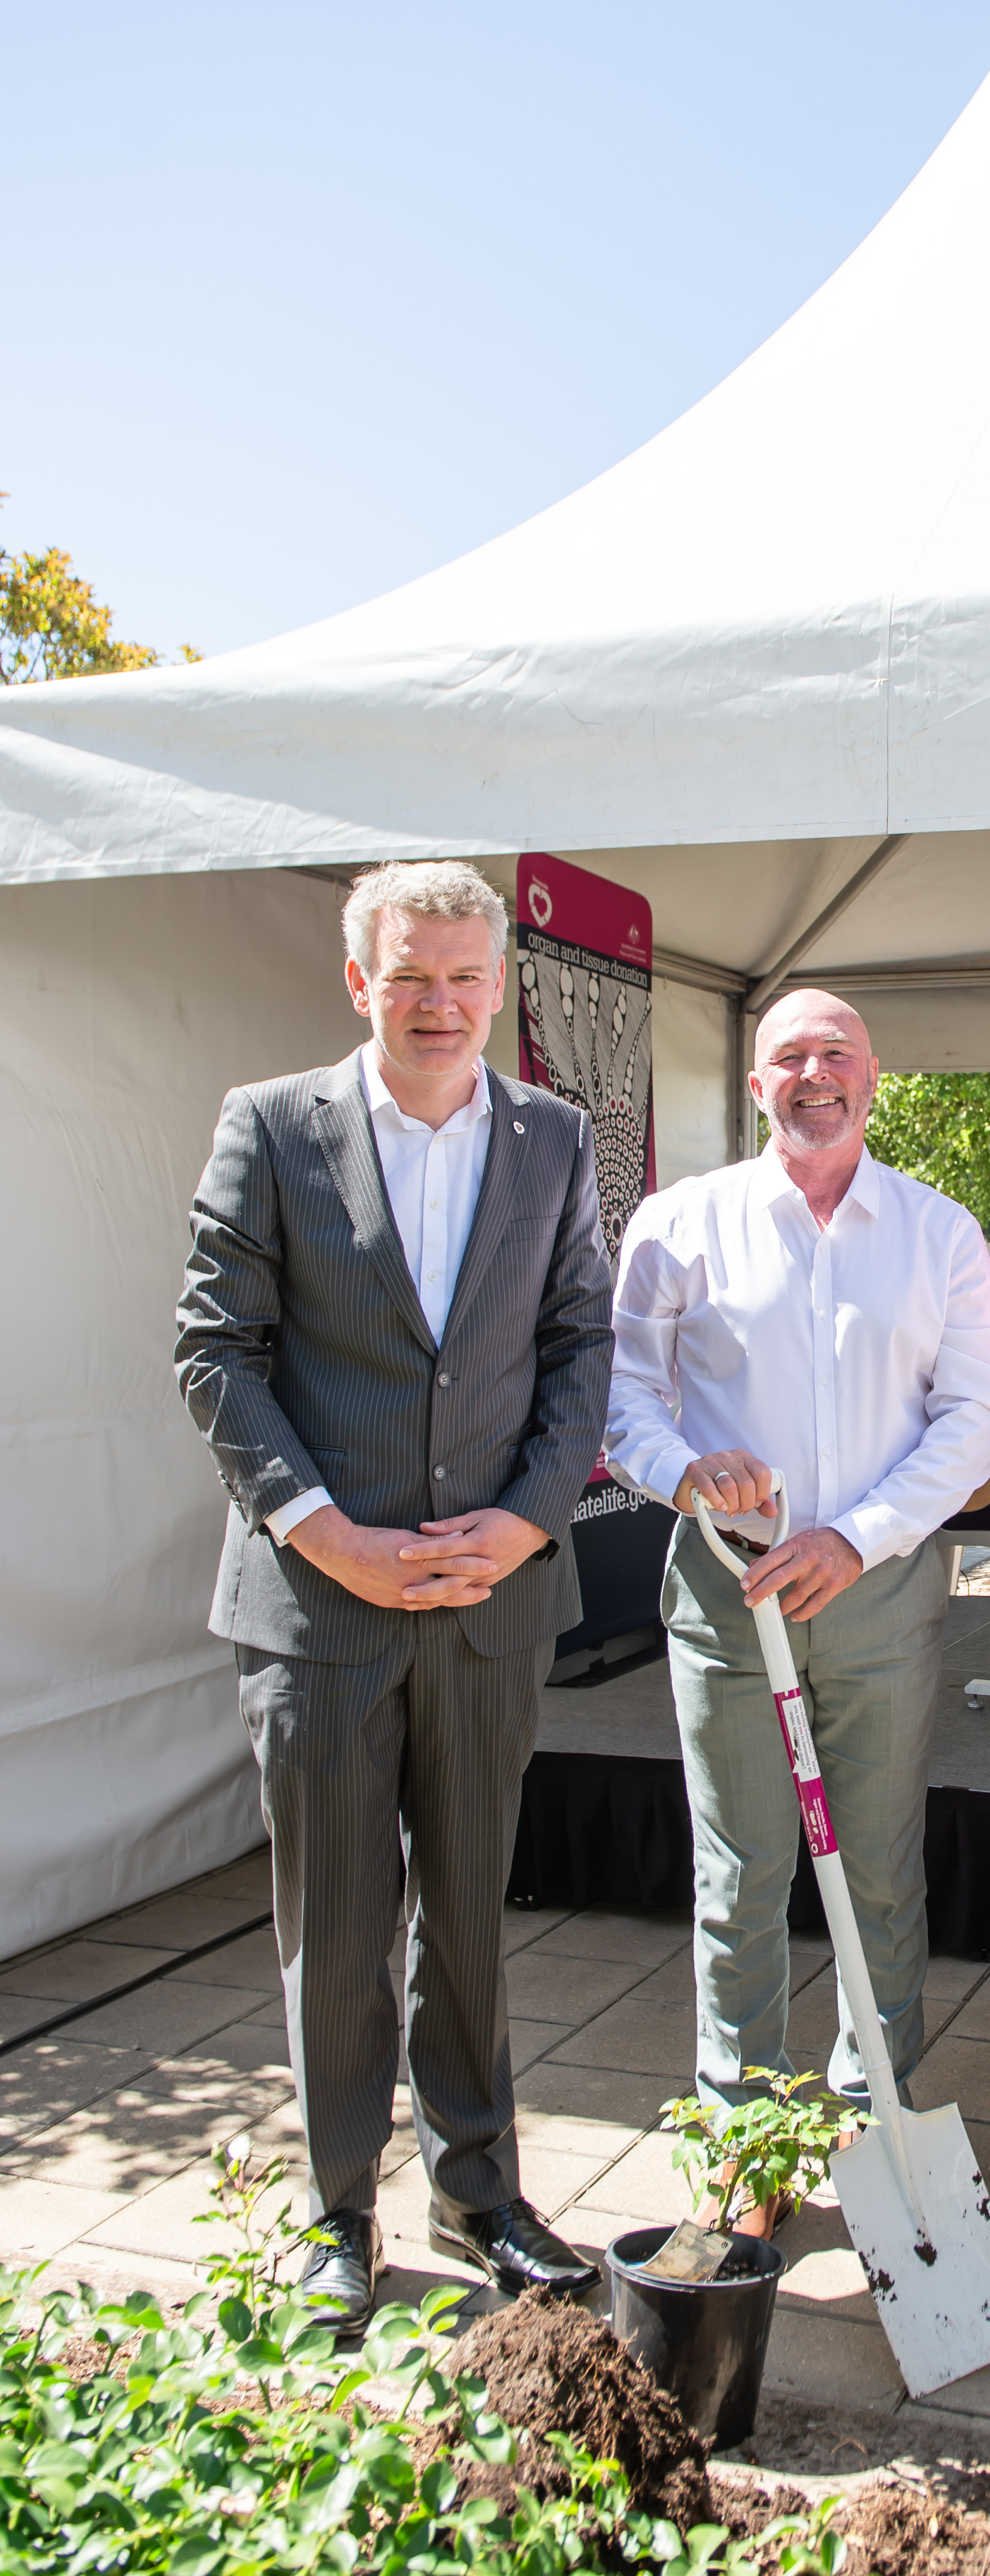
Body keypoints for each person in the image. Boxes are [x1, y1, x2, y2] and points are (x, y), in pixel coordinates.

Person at [175, 859, 615, 2332]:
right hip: (321, 1608)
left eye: (466, 978)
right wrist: (324, 1531)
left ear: (501, 988)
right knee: (339, 1922)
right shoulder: (270, 1126)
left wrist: (528, 1522)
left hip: (492, 1601)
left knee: (473, 1918)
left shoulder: (552, 1140)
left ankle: (480, 2190)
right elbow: (213, 1352)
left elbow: (579, 1345)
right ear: (358, 981)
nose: (440, 1003)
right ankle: (335, 2210)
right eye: (411, 976)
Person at [605, 990, 990, 2208]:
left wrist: (861, 1535)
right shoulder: (681, 1223)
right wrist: (685, 1472)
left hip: (881, 1601)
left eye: (835, 1053)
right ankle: (743, 2142)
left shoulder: (938, 1234)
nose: (814, 1073)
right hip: (730, 1599)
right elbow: (621, 1398)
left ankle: (869, 2126)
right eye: (789, 1055)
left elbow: (971, 1416)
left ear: (875, 1076)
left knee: (879, 1875)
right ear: (755, 1083)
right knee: (739, 1875)